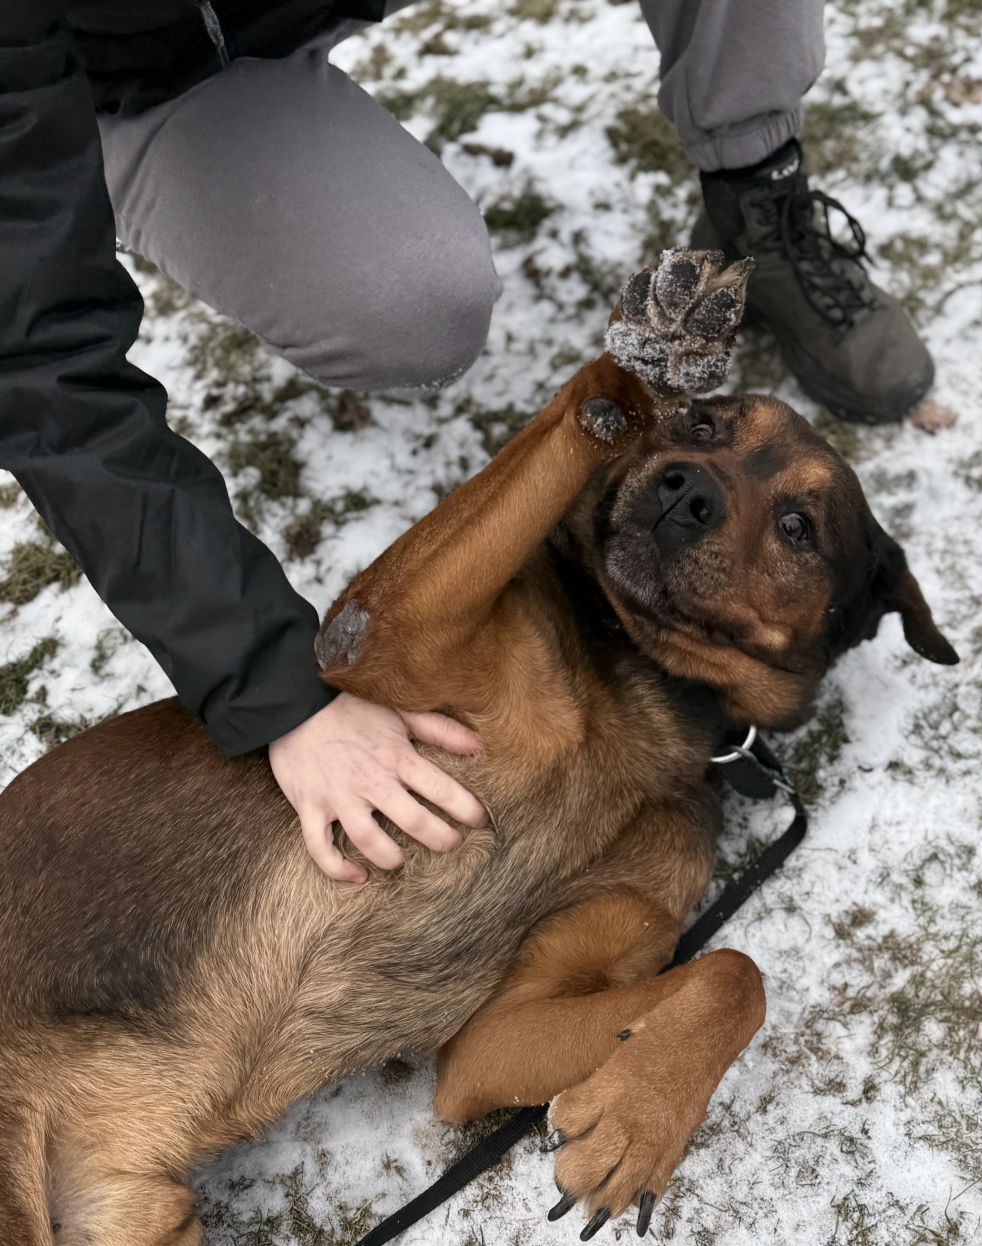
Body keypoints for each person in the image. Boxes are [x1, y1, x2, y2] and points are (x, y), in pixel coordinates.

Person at [0, 1, 933, 881]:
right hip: (132, 75)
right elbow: (43, 369)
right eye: (703, 433)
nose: (698, 484)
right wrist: (271, 688)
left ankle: (754, 189)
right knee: (411, 304)